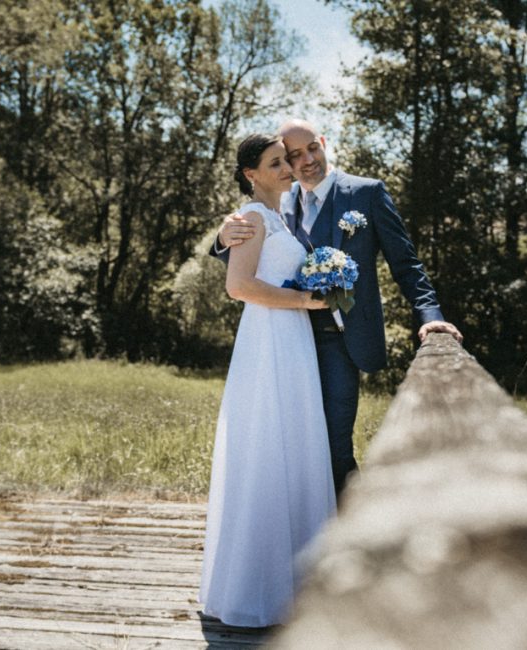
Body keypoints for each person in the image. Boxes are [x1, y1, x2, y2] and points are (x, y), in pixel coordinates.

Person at [212, 119, 462, 501]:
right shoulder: (280, 200)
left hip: (339, 343)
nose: (306, 160)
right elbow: (252, 265)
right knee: (297, 452)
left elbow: (405, 264)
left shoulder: (366, 193)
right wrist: (219, 239)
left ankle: (350, 540)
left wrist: (431, 315)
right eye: (293, 156)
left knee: (332, 449)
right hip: (288, 344)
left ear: (323, 143)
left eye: (311, 148)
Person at [199, 133, 337, 628]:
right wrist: (307, 301)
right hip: (269, 339)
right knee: (266, 447)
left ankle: (295, 584)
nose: (288, 167)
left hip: (292, 339)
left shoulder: (282, 215)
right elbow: (239, 286)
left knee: (294, 445)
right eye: (276, 162)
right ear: (251, 174)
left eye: (289, 159)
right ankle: (257, 589)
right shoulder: (252, 217)